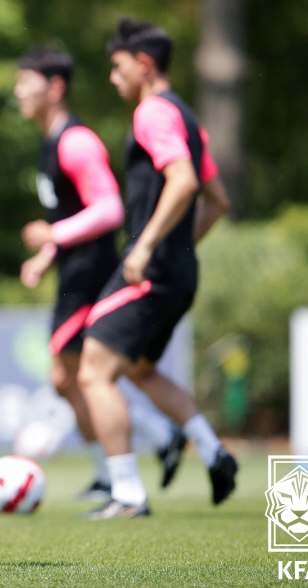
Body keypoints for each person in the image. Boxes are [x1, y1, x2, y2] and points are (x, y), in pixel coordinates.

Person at [78, 18, 236, 519]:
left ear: (144, 65)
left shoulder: (152, 113)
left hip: (150, 271)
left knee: (92, 370)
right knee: (142, 370)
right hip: (179, 271)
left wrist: (148, 246)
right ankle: (214, 452)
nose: (112, 77)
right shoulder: (187, 117)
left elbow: (185, 182)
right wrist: (180, 248)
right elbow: (219, 200)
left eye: (118, 66)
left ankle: (126, 494)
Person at [15, 47, 188, 502]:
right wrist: (47, 253)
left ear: (55, 88)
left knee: (84, 375)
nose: (17, 91)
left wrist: (53, 232)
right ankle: (123, 462)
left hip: (94, 275)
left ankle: (140, 453)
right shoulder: (49, 142)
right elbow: (74, 213)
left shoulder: (76, 141)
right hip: (74, 271)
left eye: (25, 82)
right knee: (70, 378)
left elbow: (109, 210)